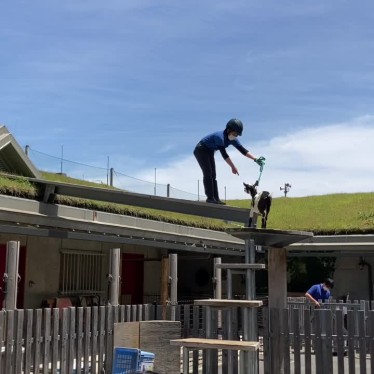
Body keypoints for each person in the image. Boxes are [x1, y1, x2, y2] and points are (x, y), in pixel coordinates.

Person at [193, 118, 265, 204]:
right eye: (235, 133)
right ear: (228, 130)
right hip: (200, 150)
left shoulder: (233, 139)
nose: (235, 136)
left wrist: (255, 159)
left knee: (213, 175)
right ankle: (210, 198)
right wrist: (233, 167)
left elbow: (243, 151)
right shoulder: (219, 137)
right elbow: (224, 154)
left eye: (237, 135)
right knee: (208, 173)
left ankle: (216, 199)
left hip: (210, 151)